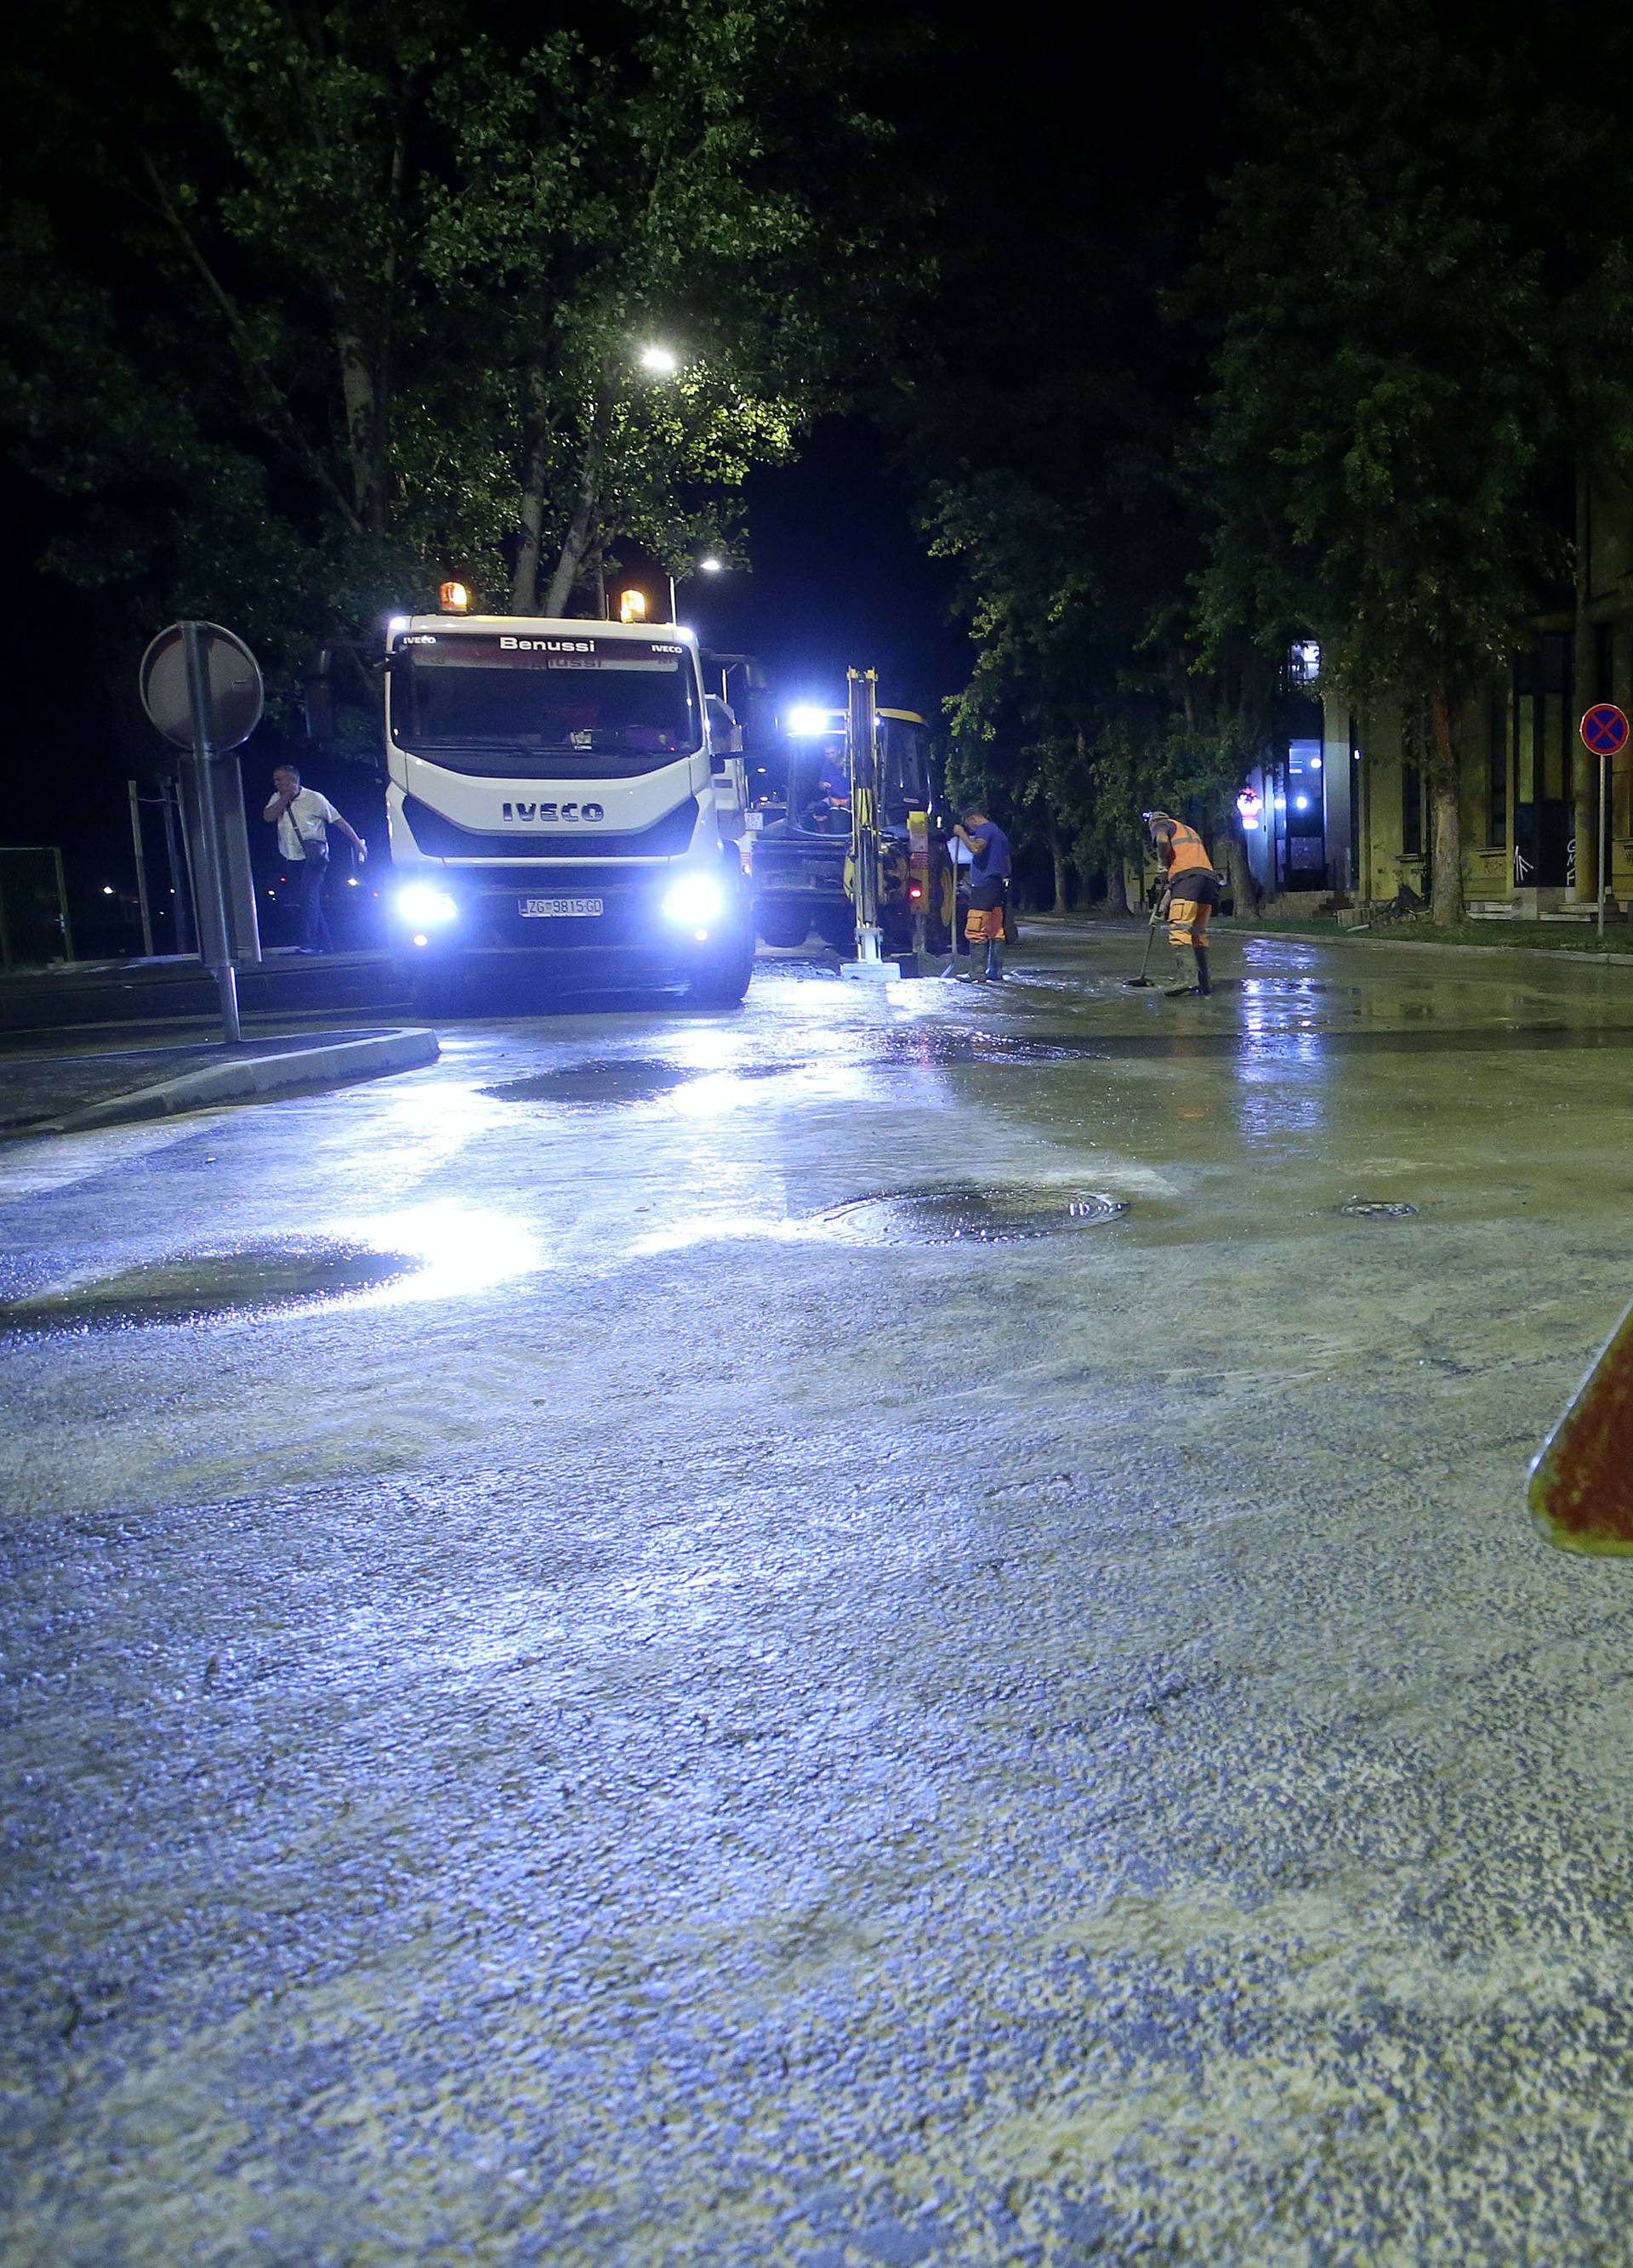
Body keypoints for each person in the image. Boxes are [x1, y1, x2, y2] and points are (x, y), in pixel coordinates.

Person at [264, 764, 367, 952]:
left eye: (280, 779)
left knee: (308, 896)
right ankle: (326, 943)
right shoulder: (277, 798)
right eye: (275, 780)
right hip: (291, 856)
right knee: (307, 899)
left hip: (314, 856)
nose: (276, 783)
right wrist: (284, 799)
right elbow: (268, 816)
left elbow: (338, 820)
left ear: (292, 781)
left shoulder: (314, 798)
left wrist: (357, 843)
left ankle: (308, 943)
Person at [1148, 810, 1220, 997]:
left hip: (1188, 880)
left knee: (1179, 930)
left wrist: (1163, 863)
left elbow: (1162, 841)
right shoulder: (1187, 830)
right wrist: (1161, 910)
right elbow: (1177, 885)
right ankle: (1204, 983)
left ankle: (1187, 979)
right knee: (1197, 933)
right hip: (1207, 880)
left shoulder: (1161, 824)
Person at [953, 801, 1011, 981]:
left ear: (973, 819)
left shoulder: (984, 830)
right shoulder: (1000, 834)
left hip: (984, 887)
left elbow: (976, 848)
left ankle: (976, 972)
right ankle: (995, 971)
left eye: (968, 824)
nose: (969, 828)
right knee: (995, 929)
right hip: (997, 886)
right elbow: (1008, 863)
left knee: (976, 927)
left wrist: (960, 833)